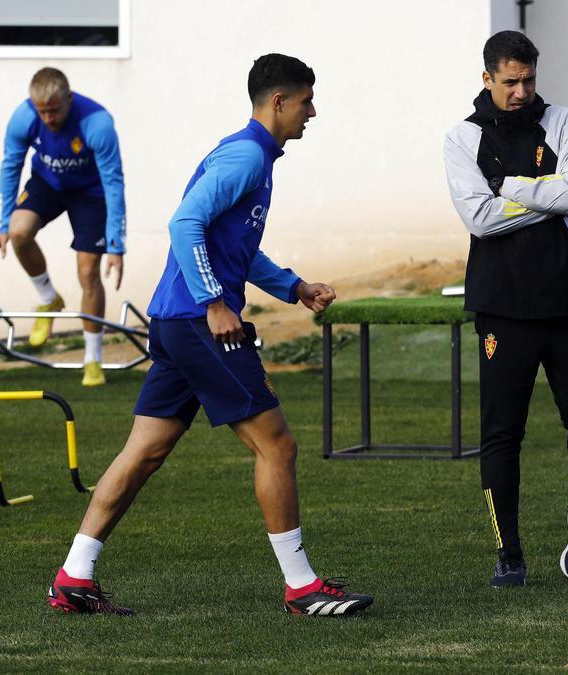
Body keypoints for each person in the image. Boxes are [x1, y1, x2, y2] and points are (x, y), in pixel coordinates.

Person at [46, 54, 372, 617]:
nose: (311, 112)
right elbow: (184, 224)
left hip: (177, 323)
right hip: (200, 324)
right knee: (278, 445)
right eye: (305, 101)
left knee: (144, 451)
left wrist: (293, 287)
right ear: (278, 101)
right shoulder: (246, 156)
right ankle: (302, 588)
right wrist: (214, 302)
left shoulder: (251, 154)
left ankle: (74, 576)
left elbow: (233, 247)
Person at [443, 30, 568, 588]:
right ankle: (508, 552)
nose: (521, 91)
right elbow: (479, 221)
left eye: (529, 80)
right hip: (502, 303)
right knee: (502, 431)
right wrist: (550, 195)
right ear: (487, 79)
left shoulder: (566, 122)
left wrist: (510, 186)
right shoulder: (462, 138)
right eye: (510, 81)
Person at [0, 67, 126, 387]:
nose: (49, 119)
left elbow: (113, 182)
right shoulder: (24, 118)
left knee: (87, 271)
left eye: (54, 110)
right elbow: (11, 166)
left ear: (69, 97)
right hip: (48, 183)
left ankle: (93, 359)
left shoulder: (97, 123)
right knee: (18, 232)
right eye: (43, 112)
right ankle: (48, 297)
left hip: (90, 192)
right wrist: (1, 224)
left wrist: (116, 243)